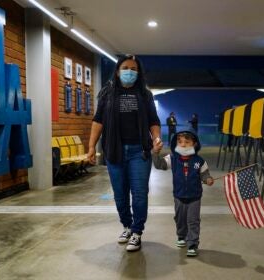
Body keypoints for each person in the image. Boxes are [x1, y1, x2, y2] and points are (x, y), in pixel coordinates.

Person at [87, 55, 161, 252]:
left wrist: (156, 138)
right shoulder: (107, 94)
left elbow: (153, 120)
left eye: (134, 69)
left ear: (139, 73)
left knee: (139, 194)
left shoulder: (145, 95)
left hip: (139, 151)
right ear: (118, 71)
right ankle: (127, 226)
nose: (130, 72)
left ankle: (137, 232)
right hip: (114, 151)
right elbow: (98, 121)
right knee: (120, 195)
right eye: (126, 68)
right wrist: (91, 146)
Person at [152, 129, 214, 257]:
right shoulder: (172, 158)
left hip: (195, 197)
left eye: (187, 141)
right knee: (180, 219)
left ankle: (192, 244)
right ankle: (181, 236)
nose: (183, 144)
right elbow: (159, 165)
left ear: (195, 144)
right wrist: (155, 153)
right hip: (179, 196)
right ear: (176, 144)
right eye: (180, 142)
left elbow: (205, 174)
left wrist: (207, 179)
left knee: (193, 220)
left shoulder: (199, 161)